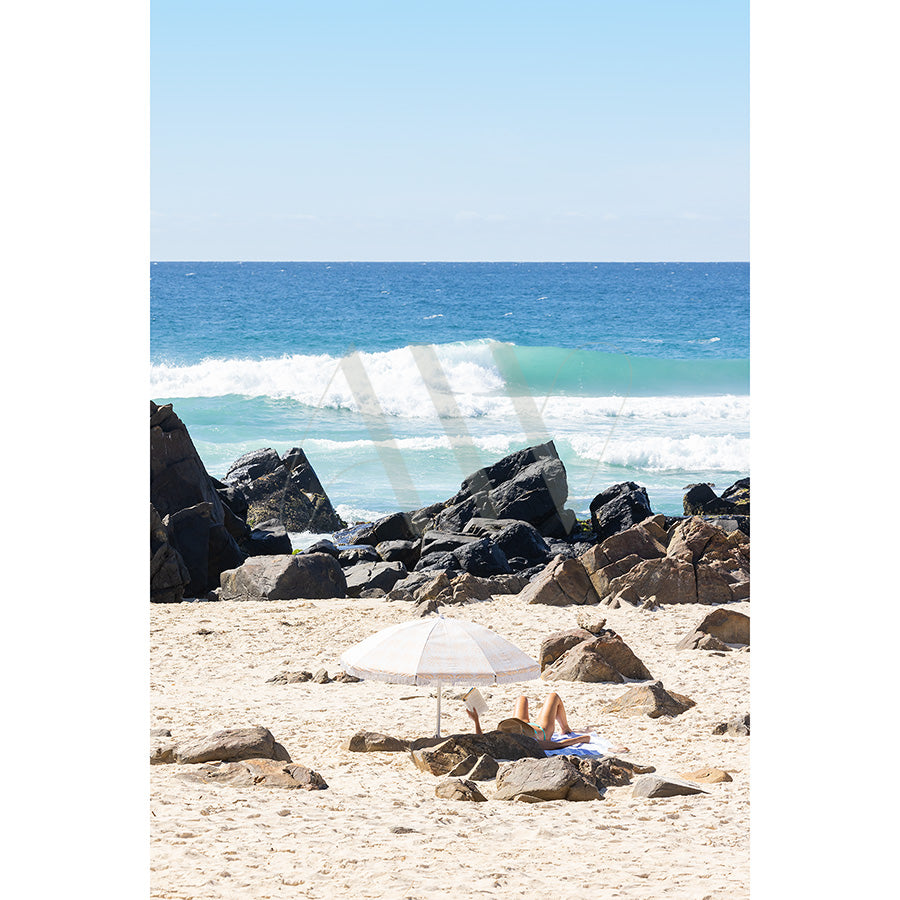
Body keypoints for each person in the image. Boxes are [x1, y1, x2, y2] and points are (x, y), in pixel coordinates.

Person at [465, 691, 593, 751]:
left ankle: (565, 728)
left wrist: (476, 720)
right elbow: (558, 745)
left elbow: (481, 739)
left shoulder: (502, 736)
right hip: (542, 730)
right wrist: (582, 739)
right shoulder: (529, 742)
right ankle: (565, 728)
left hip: (522, 726)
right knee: (554, 696)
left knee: (521, 698)